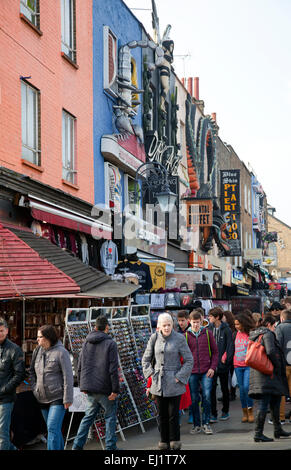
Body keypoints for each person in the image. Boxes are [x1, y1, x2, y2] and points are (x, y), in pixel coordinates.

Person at [142, 313, 193, 450]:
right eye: (164, 325)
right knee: (161, 414)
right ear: (158, 326)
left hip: (174, 382)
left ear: (172, 325)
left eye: (169, 325)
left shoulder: (179, 338)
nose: (166, 327)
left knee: (173, 414)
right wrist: (151, 375)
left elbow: (189, 360)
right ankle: (163, 441)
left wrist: (180, 376)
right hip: (158, 382)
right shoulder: (153, 338)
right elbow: (145, 359)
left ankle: (175, 440)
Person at [72, 316, 120, 451]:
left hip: (91, 388)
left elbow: (80, 365)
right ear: (106, 328)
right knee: (110, 417)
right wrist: (115, 389)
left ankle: (77, 446)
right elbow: (113, 369)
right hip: (105, 388)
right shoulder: (110, 344)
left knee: (88, 417)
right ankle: (110, 448)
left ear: (94, 327)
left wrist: (83, 385)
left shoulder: (86, 343)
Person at [29, 325, 73, 450]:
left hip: (57, 397)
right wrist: (34, 388)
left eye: (40, 337)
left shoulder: (61, 352)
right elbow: (31, 371)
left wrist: (68, 398)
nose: (37, 339)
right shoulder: (37, 351)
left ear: (48, 337)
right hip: (41, 397)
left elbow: (68, 377)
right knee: (54, 429)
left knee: (52, 428)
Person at [248, 314, 291, 442]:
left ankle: (278, 430)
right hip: (267, 375)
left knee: (275, 401)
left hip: (261, 373)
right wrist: (277, 365)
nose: (274, 328)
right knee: (264, 404)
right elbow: (271, 351)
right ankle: (258, 433)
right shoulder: (267, 334)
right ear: (268, 325)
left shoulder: (255, 334)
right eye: (273, 326)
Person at [186, 311, 218, 435]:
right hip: (192, 372)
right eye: (193, 323)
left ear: (202, 321)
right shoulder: (186, 336)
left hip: (206, 370)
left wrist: (212, 368)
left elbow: (215, 352)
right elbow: (183, 356)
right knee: (194, 399)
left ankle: (206, 424)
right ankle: (196, 425)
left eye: (197, 322)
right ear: (190, 322)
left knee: (207, 397)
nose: (195, 325)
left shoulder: (208, 334)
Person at [0, 318, 25, 450]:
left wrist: (4, 390)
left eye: (1, 331)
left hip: (5, 399)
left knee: (2, 434)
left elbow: (20, 375)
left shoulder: (15, 349)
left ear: (7, 331)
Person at [208, 307, 234, 422]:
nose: (209, 318)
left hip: (223, 365)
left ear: (217, 317)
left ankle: (225, 411)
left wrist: (227, 359)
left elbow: (230, 346)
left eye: (210, 316)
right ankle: (213, 413)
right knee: (212, 389)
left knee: (224, 388)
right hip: (211, 366)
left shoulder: (226, 329)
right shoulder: (208, 329)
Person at [233, 313, 255, 423]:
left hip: (248, 365)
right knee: (241, 390)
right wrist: (225, 356)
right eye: (235, 324)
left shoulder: (250, 334)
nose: (236, 326)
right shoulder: (235, 334)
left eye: (238, 324)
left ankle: (250, 410)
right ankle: (245, 412)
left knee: (247, 387)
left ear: (243, 323)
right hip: (237, 365)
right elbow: (231, 347)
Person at [275, 308, 291, 423]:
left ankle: (281, 418)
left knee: (281, 392)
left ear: (282, 318)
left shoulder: (280, 328)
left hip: (283, 365)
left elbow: (277, 346)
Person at [222, 310, 237, 401]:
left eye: (223, 317)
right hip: (226, 353)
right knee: (227, 376)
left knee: (231, 375)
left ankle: (232, 393)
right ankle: (228, 393)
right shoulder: (225, 328)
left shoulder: (231, 329)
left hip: (231, 354)